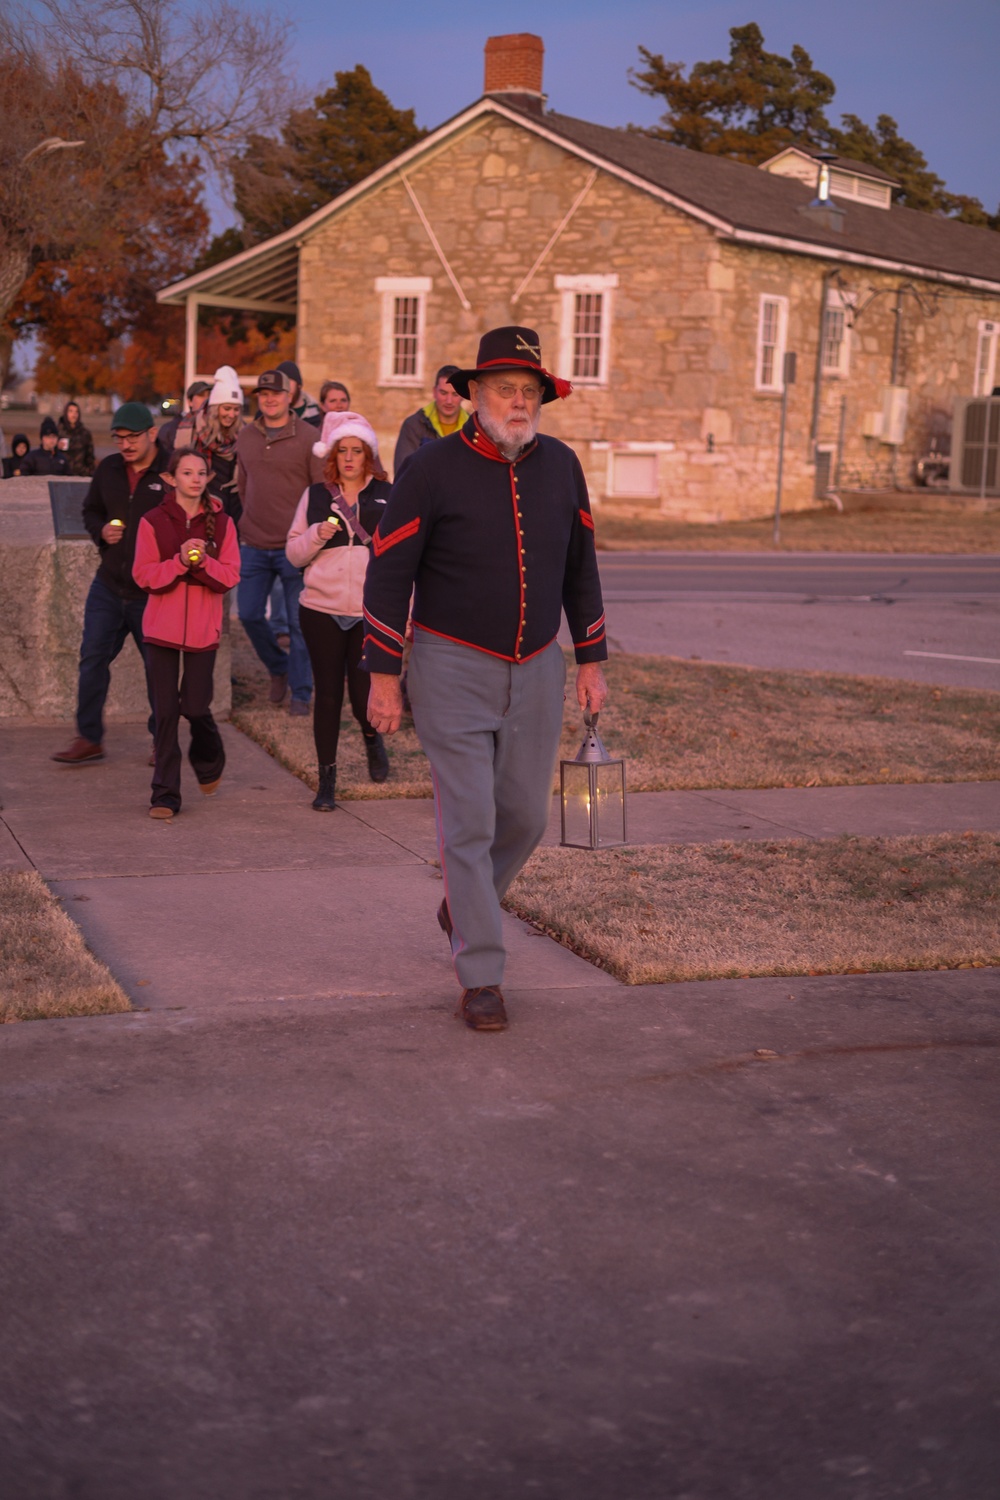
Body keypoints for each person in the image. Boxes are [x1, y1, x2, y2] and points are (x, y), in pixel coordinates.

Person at [362, 326, 608, 1033]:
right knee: (468, 821)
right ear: (474, 394)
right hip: (450, 666)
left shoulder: (562, 466)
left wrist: (591, 660)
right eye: (506, 389)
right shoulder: (431, 467)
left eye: (530, 391)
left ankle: (463, 903)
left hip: (537, 668)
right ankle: (482, 975)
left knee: (527, 816)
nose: (519, 402)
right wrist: (384, 674)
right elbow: (389, 573)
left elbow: (580, 568)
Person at [285, 411, 392, 810]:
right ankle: (326, 780)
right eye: (343, 450)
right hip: (320, 608)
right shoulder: (315, 495)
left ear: (368, 455)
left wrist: (408, 609)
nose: (349, 458)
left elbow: (402, 556)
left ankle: (371, 739)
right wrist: (315, 535)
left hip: (370, 612)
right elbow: (293, 554)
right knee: (327, 695)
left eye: (357, 451)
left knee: (364, 695)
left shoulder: (388, 494)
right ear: (333, 454)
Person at [52, 402, 166, 765]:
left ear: (152, 433)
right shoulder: (109, 469)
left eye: (133, 437)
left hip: (152, 591)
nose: (126, 445)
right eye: (119, 438)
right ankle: (89, 738)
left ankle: (161, 741)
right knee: (92, 658)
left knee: (157, 669)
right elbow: (90, 510)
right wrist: (100, 531)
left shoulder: (171, 472)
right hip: (109, 586)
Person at [132, 447, 240, 819]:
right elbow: (144, 575)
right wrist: (178, 561)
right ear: (170, 479)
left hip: (202, 631)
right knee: (165, 712)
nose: (195, 479)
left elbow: (229, 576)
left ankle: (209, 756)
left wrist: (202, 561)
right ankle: (165, 794)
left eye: (201, 473)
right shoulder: (152, 521)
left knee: (194, 707)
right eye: (187, 473)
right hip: (160, 628)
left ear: (208, 479)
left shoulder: (223, 523)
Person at [235, 368, 325, 714]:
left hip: (295, 546)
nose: (269, 399)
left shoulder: (309, 437)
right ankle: (278, 668)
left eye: (276, 393)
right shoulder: (246, 436)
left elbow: (318, 493)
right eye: (263, 394)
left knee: (298, 624)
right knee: (249, 614)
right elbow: (243, 484)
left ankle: (301, 693)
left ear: (290, 396)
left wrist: (310, 539)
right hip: (254, 543)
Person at [173, 365, 244, 522]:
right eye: (226, 408)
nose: (231, 415)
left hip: (233, 505)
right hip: (200, 504)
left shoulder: (243, 433)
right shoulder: (191, 428)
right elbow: (178, 470)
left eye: (236, 409)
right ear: (215, 408)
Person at [392, 364, 464, 475]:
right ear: (434, 392)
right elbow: (403, 473)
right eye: (443, 393)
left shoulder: (473, 428)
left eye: (455, 394)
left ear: (463, 394)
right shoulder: (414, 425)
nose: (449, 401)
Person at [158, 380, 212, 456]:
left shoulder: (217, 427)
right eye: (201, 395)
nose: (207, 399)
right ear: (190, 401)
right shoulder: (170, 430)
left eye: (209, 395)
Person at [276, 360, 323, 428]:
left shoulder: (315, 413)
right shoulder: (267, 412)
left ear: (299, 385)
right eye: (280, 383)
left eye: (287, 382)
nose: (284, 387)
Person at [57, 400, 96, 477]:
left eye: (76, 412)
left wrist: (89, 471)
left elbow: (90, 455)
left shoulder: (85, 433)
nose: (74, 414)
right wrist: (56, 446)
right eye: (71, 411)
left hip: (81, 474)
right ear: (65, 413)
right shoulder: (58, 432)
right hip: (62, 475)